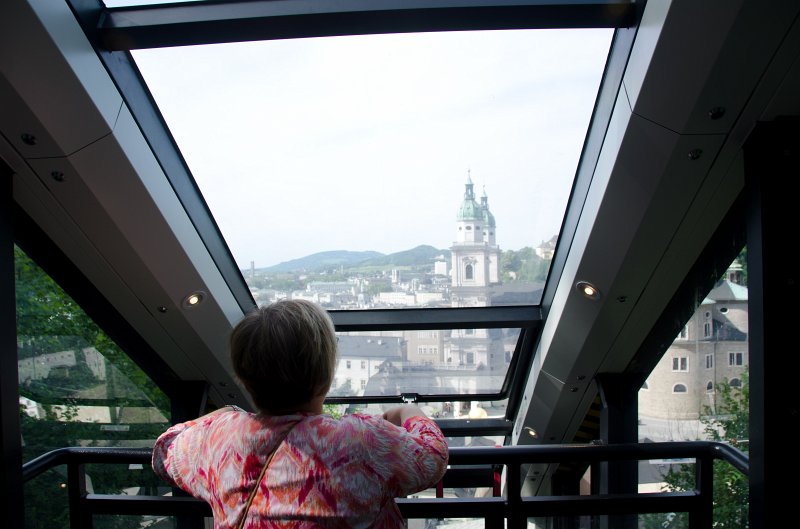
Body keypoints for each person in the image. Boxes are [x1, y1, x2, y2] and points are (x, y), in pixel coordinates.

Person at [152, 299, 448, 529]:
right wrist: (408, 411)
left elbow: (165, 451)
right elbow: (433, 457)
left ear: (243, 376)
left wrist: (223, 417)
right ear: (325, 376)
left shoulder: (219, 439)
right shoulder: (362, 441)